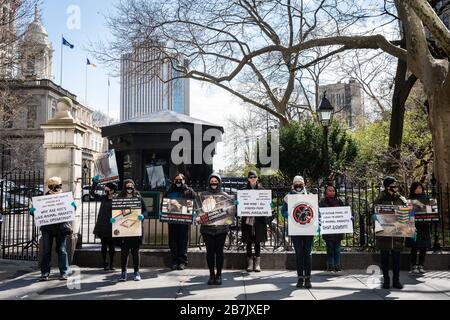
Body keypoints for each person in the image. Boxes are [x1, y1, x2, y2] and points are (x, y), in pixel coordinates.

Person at [29, 177, 77, 281]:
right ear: (51, 187)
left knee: (62, 250)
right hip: (47, 228)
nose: (59, 189)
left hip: (61, 228)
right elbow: (38, 213)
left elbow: (70, 211)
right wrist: (33, 211)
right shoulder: (43, 199)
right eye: (57, 187)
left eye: (59, 187)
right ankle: (45, 273)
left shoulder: (65, 198)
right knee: (46, 251)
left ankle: (64, 272)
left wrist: (73, 206)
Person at [199, 173, 233, 286]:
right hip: (207, 229)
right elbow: (199, 211)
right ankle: (211, 275)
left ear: (219, 182)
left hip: (221, 229)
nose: (214, 184)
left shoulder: (225, 195)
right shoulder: (203, 195)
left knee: (219, 252)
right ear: (209, 182)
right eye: (212, 182)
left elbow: (230, 212)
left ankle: (219, 275)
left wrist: (234, 206)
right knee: (209, 252)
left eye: (216, 181)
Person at [374, 176, 407, 290]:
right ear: (387, 186)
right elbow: (374, 211)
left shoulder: (401, 199)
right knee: (384, 259)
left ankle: (396, 280)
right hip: (385, 234)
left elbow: (407, 213)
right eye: (393, 185)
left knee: (397, 259)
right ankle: (386, 280)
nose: (395, 187)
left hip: (397, 234)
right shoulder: (381, 198)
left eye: (396, 185)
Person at [282, 176, 313, 289]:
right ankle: (300, 278)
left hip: (308, 229)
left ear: (304, 184)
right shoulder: (288, 197)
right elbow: (283, 211)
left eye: (300, 184)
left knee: (308, 254)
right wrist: (287, 214)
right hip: (296, 230)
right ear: (293, 184)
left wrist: (317, 225)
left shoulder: (310, 196)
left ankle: (308, 279)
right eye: (296, 184)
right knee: (299, 254)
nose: (298, 186)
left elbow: (315, 211)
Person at [114, 179, 147, 282]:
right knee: (124, 252)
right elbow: (115, 211)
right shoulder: (120, 197)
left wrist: (143, 216)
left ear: (133, 187)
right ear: (124, 187)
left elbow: (145, 210)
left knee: (135, 252)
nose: (129, 188)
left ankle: (136, 272)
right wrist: (114, 218)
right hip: (123, 230)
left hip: (135, 229)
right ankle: (123, 273)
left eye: (131, 186)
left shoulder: (138, 197)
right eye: (127, 186)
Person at [165, 173, 196, 271]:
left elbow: (194, 202)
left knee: (183, 241)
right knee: (172, 241)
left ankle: (182, 262)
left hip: (184, 221)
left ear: (184, 180)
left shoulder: (189, 191)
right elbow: (165, 203)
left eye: (180, 179)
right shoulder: (169, 190)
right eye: (176, 180)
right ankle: (174, 261)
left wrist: (193, 212)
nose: (178, 181)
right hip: (172, 220)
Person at [241, 171, 267, 273]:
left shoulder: (262, 190)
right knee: (248, 241)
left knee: (257, 241)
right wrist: (238, 203)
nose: (252, 178)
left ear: (257, 178)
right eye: (250, 177)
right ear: (248, 178)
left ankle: (257, 263)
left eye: (254, 177)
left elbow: (265, 202)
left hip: (258, 219)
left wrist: (268, 205)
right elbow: (239, 205)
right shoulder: (243, 190)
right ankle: (250, 263)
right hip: (247, 218)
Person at [92, 176, 118, 271]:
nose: (105, 189)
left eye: (107, 188)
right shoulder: (103, 198)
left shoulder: (116, 199)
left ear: (112, 191)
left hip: (112, 225)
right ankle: (105, 263)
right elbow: (92, 193)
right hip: (102, 224)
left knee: (112, 246)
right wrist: (95, 183)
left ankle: (112, 264)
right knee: (103, 245)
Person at [320, 184, 345, 273]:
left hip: (338, 230)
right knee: (329, 248)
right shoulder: (322, 202)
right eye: (329, 190)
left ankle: (337, 265)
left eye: (333, 190)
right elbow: (320, 213)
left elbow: (345, 211)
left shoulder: (339, 201)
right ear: (326, 192)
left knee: (337, 248)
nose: (331, 192)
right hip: (328, 230)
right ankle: (330, 265)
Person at [408, 182, 432, 275]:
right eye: (417, 188)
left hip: (424, 225)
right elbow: (408, 213)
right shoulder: (410, 200)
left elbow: (430, 212)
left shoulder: (427, 199)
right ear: (413, 189)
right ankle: (413, 265)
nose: (419, 189)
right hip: (414, 225)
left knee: (423, 246)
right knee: (414, 246)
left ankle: (421, 265)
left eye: (420, 188)